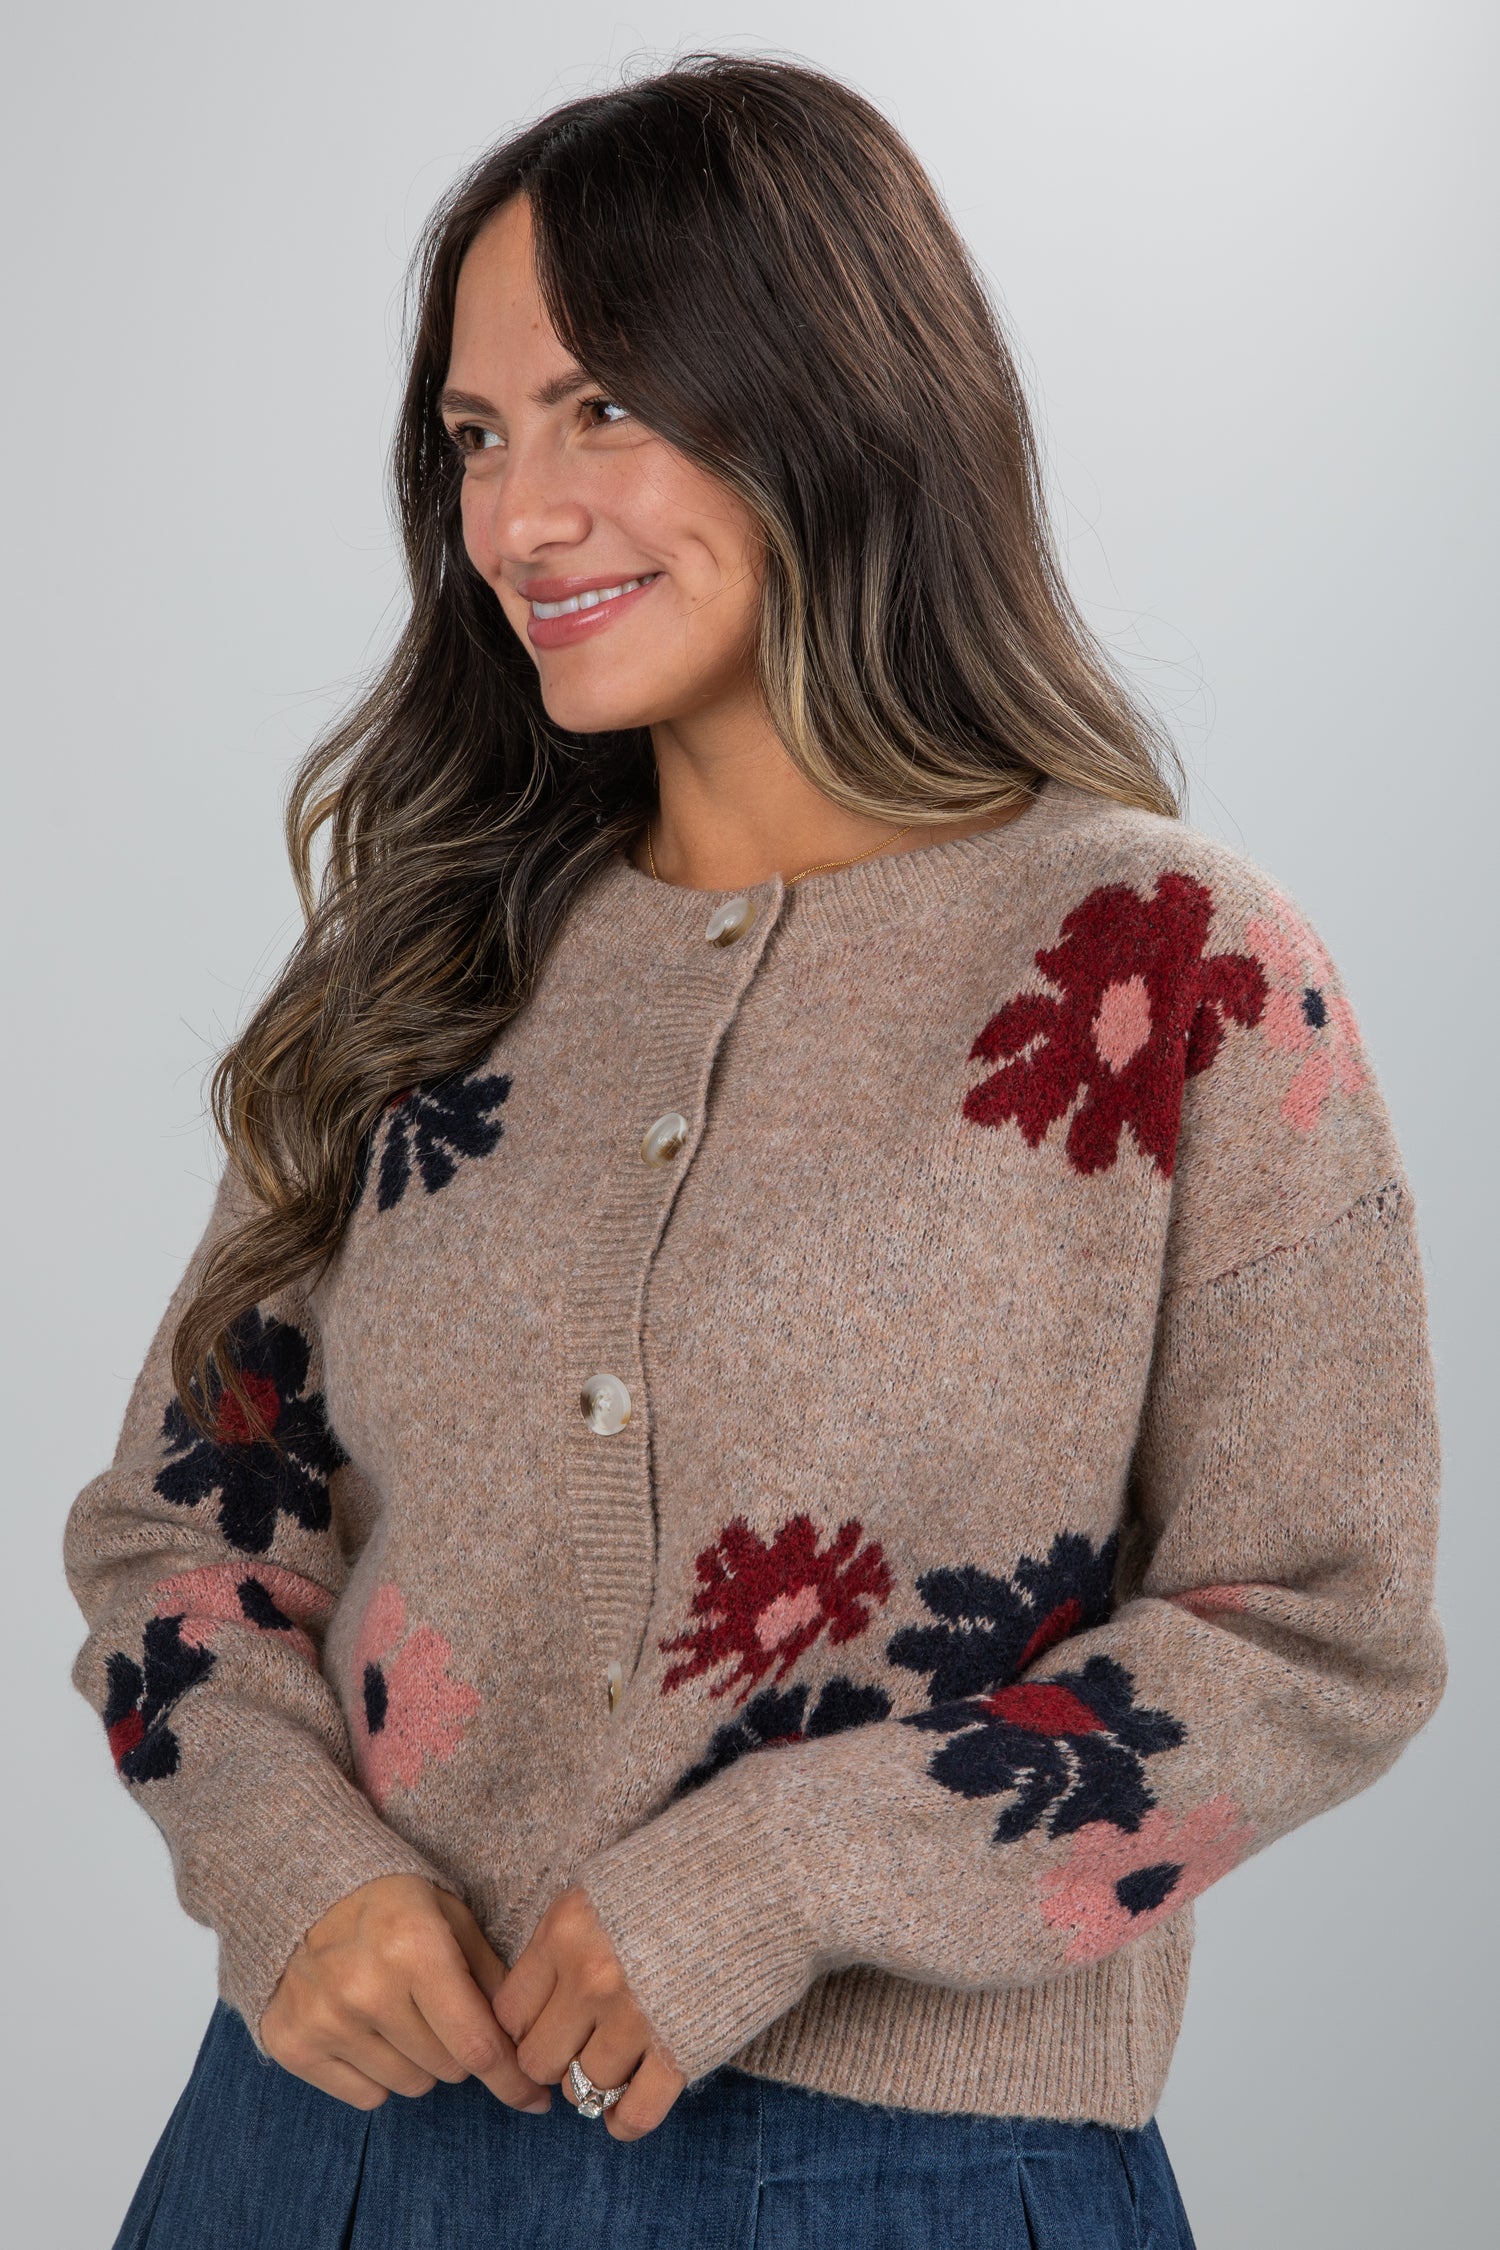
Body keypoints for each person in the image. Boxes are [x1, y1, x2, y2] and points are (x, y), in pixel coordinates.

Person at [66, 53, 1445, 2250]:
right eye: (476, 437)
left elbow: (1318, 1628)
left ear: (833, 401)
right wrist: (294, 1873)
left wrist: (786, 1875)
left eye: (603, 408)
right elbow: (182, 1539)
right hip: (320, 2155)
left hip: (907, 2173)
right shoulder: (426, 963)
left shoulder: (1169, 965)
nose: (518, 519)